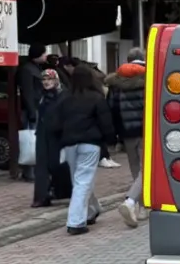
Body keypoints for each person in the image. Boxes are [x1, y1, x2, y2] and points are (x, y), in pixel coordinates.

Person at [44, 64, 117, 235]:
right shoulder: (96, 97)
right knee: (82, 182)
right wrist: (111, 140)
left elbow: (54, 123)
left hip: (69, 143)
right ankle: (76, 222)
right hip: (90, 143)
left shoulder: (64, 97)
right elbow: (105, 122)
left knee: (79, 181)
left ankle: (91, 210)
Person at [106, 47, 148, 227]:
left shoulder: (116, 81)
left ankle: (141, 205)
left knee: (135, 168)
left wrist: (117, 134)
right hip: (146, 131)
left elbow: (112, 109)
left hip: (127, 132)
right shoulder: (150, 76)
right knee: (147, 169)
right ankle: (134, 203)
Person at [31, 68, 71, 208]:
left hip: (58, 134)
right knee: (41, 165)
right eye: (44, 79)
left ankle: (61, 191)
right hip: (43, 133)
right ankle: (42, 196)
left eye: (50, 79)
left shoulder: (64, 95)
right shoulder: (42, 96)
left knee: (57, 164)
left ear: (56, 80)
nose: (46, 82)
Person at [17, 44, 49, 181]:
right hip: (32, 109)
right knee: (30, 140)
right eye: (44, 53)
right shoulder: (27, 70)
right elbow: (28, 92)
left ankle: (35, 169)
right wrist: (31, 111)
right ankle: (29, 171)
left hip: (38, 108)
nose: (46, 56)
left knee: (36, 140)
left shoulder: (36, 68)